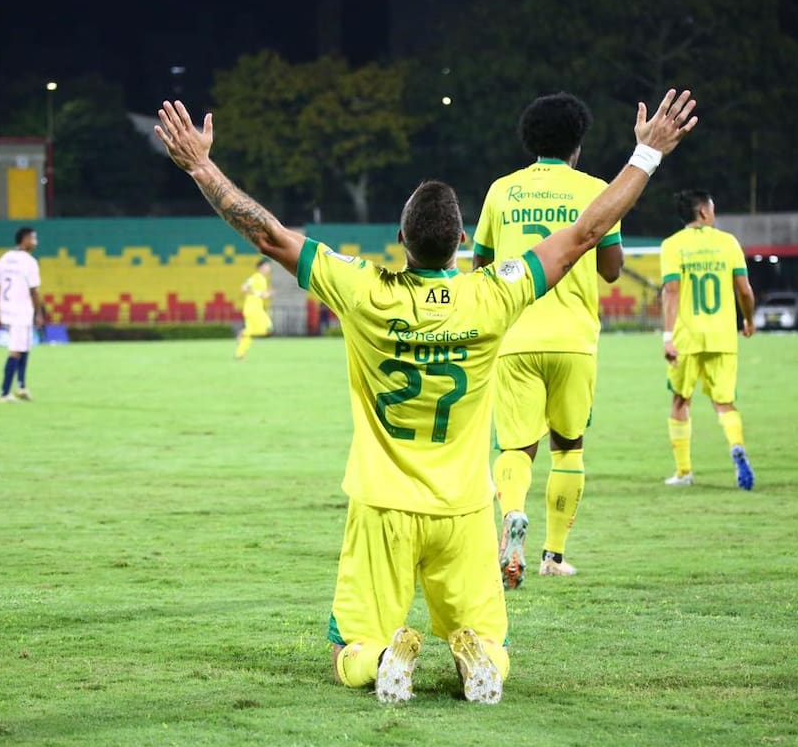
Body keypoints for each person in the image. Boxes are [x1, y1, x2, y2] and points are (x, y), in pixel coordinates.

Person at [154, 89, 697, 703]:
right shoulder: (492, 294)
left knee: (348, 648)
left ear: (400, 238)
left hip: (382, 508)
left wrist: (201, 166)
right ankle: (476, 660)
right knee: (492, 639)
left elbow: (270, 236)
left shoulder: (362, 289)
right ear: (462, 238)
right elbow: (584, 234)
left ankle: (383, 656)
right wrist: (646, 154)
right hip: (464, 511)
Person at [471, 92, 623, 589]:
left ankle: (512, 517)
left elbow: (480, 268)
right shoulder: (597, 191)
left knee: (515, 446)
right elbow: (611, 269)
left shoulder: (501, 191)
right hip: (575, 339)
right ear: (577, 142)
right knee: (569, 446)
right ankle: (553, 555)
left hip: (514, 336)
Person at [660, 190, 756, 489]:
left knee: (680, 400)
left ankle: (684, 471)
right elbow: (744, 290)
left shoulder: (673, 246)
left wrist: (667, 335)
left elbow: (672, 292)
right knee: (724, 402)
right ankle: (736, 448)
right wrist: (749, 319)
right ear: (703, 212)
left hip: (687, 337)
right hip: (722, 336)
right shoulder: (728, 243)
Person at [0, 226, 45, 403]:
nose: (35, 242)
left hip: (7, 308)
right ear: (24, 239)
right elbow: (34, 291)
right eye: (33, 238)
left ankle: (21, 386)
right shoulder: (29, 262)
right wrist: (39, 313)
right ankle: (4, 392)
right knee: (16, 350)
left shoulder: (4, 258)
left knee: (25, 346)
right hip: (21, 310)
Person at [236, 257, 274, 360]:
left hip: (254, 308)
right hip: (253, 308)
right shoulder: (256, 277)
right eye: (267, 266)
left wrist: (267, 294)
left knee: (250, 331)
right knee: (268, 326)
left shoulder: (262, 279)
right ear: (261, 267)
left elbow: (261, 295)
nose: (269, 268)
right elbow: (244, 287)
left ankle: (240, 354)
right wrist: (259, 293)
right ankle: (242, 333)